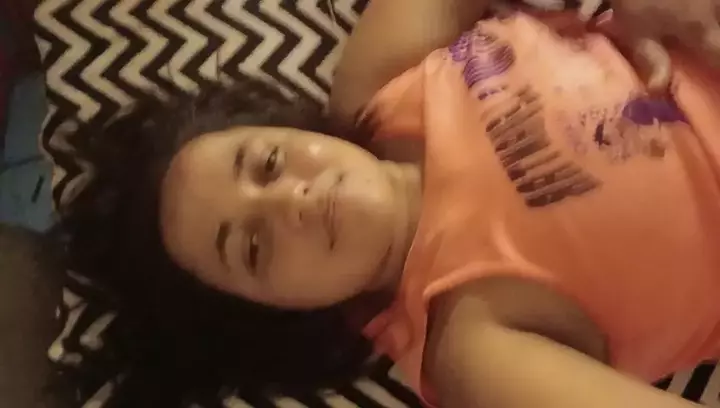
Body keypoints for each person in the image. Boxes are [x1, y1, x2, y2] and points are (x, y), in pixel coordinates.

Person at [58, 2, 720, 408]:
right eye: (254, 248)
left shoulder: (379, 88)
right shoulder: (470, 346)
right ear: (277, 313)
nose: (292, 201)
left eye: (268, 163)